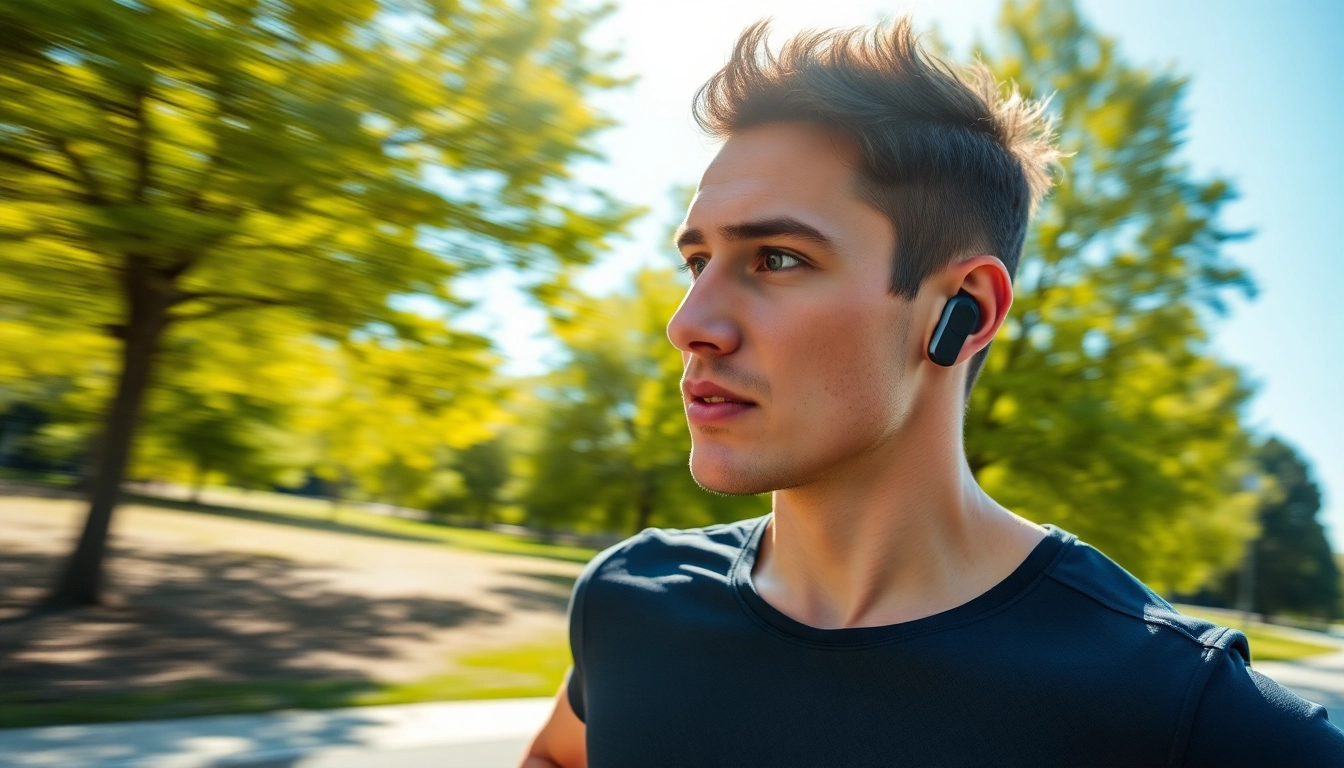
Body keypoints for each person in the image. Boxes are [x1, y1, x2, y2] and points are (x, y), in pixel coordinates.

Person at [521, 16, 1344, 768]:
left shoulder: (1172, 707)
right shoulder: (629, 602)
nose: (688, 323)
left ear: (966, 311)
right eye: (697, 262)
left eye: (775, 258)